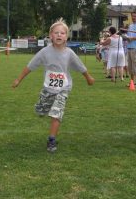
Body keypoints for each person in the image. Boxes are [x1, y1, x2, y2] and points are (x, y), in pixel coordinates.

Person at [12, 18, 95, 152]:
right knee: (41, 110)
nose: (59, 35)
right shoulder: (44, 52)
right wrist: (18, 79)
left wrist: (88, 78)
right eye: (56, 33)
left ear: (66, 37)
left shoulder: (69, 53)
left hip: (63, 89)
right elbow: (30, 66)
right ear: (51, 36)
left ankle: (51, 140)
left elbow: (80, 67)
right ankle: (42, 107)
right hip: (48, 88)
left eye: (62, 33)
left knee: (56, 113)